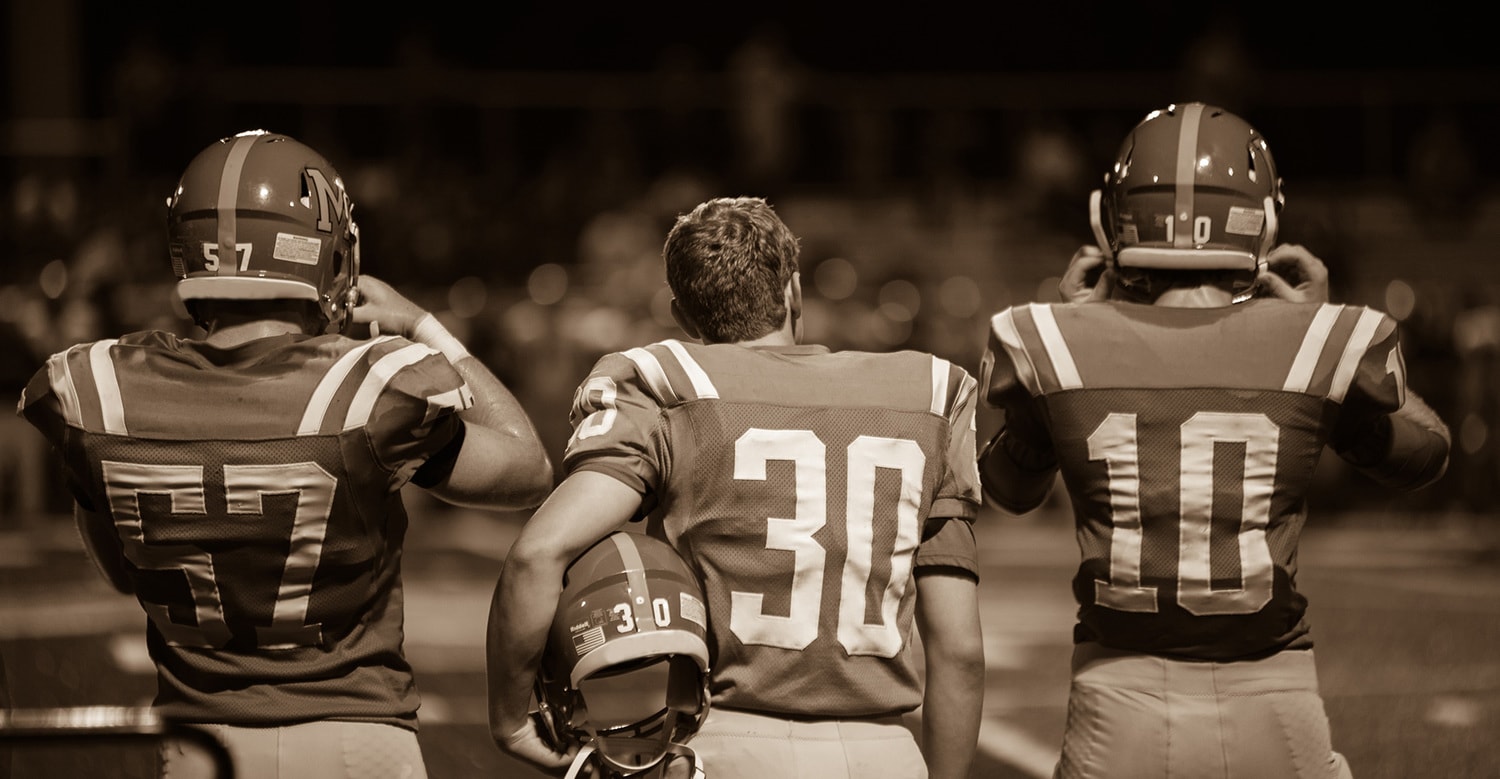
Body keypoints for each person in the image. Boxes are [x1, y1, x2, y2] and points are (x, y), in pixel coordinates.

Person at [16, 129, 554, 779]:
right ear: (324, 252)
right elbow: (528, 468)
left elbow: (122, 572)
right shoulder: (373, 386)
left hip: (199, 747)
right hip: (356, 742)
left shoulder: (97, 389)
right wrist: (419, 321)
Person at [978, 102, 1452, 779]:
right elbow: (1428, 453)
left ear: (1116, 219)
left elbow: (1010, 487)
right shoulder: (1318, 342)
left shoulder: (1055, 339)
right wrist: (1327, 375)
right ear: (1261, 220)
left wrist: (1048, 398)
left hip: (1118, 707)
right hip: (1274, 704)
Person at [487, 196, 986, 779]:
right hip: (885, 753)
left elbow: (536, 554)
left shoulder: (668, 387)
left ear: (682, 314)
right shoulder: (927, 394)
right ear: (793, 291)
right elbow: (961, 650)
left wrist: (511, 722)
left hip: (734, 744)